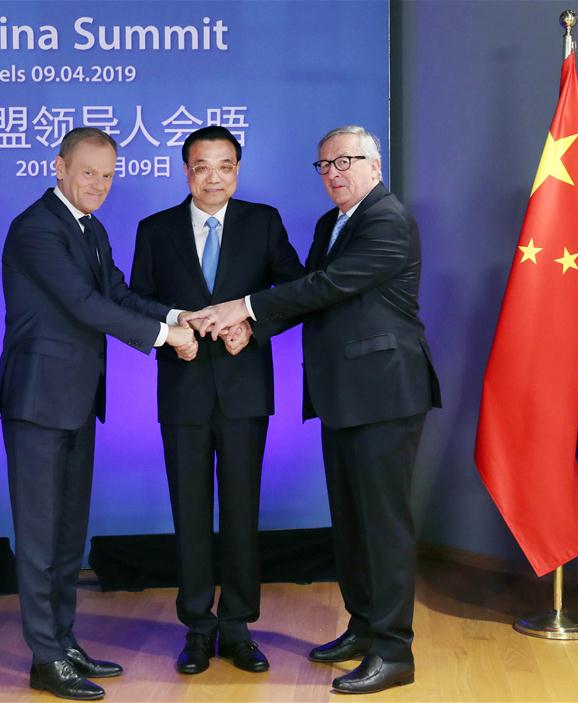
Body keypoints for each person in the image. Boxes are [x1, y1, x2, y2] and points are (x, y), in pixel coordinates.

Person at [186, 125, 441, 695]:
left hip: (385, 395)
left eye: (345, 161)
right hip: (342, 396)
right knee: (351, 524)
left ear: (374, 165)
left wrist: (243, 307)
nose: (334, 173)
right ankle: (363, 626)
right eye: (325, 165)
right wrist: (251, 330)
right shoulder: (333, 223)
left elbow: (328, 286)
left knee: (384, 527)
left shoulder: (387, 219)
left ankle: (394, 650)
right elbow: (309, 295)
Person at [0, 127, 196, 700]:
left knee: (68, 535)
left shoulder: (92, 228)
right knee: (39, 535)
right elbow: (84, 305)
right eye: (88, 172)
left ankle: (63, 642)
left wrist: (180, 316)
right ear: (59, 167)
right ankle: (45, 657)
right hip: (38, 401)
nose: (99, 185)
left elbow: (117, 294)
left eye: (108, 175)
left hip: (78, 400)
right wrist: (166, 337)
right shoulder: (36, 228)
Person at [130, 126, 304, 675]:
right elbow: (137, 300)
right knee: (190, 512)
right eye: (202, 167)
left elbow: (295, 290)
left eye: (225, 166)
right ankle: (197, 629)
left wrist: (253, 327)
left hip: (243, 391)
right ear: (186, 171)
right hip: (182, 390)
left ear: (237, 170)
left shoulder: (263, 221)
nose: (214, 178)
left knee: (241, 511)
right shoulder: (155, 229)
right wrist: (172, 330)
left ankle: (238, 627)